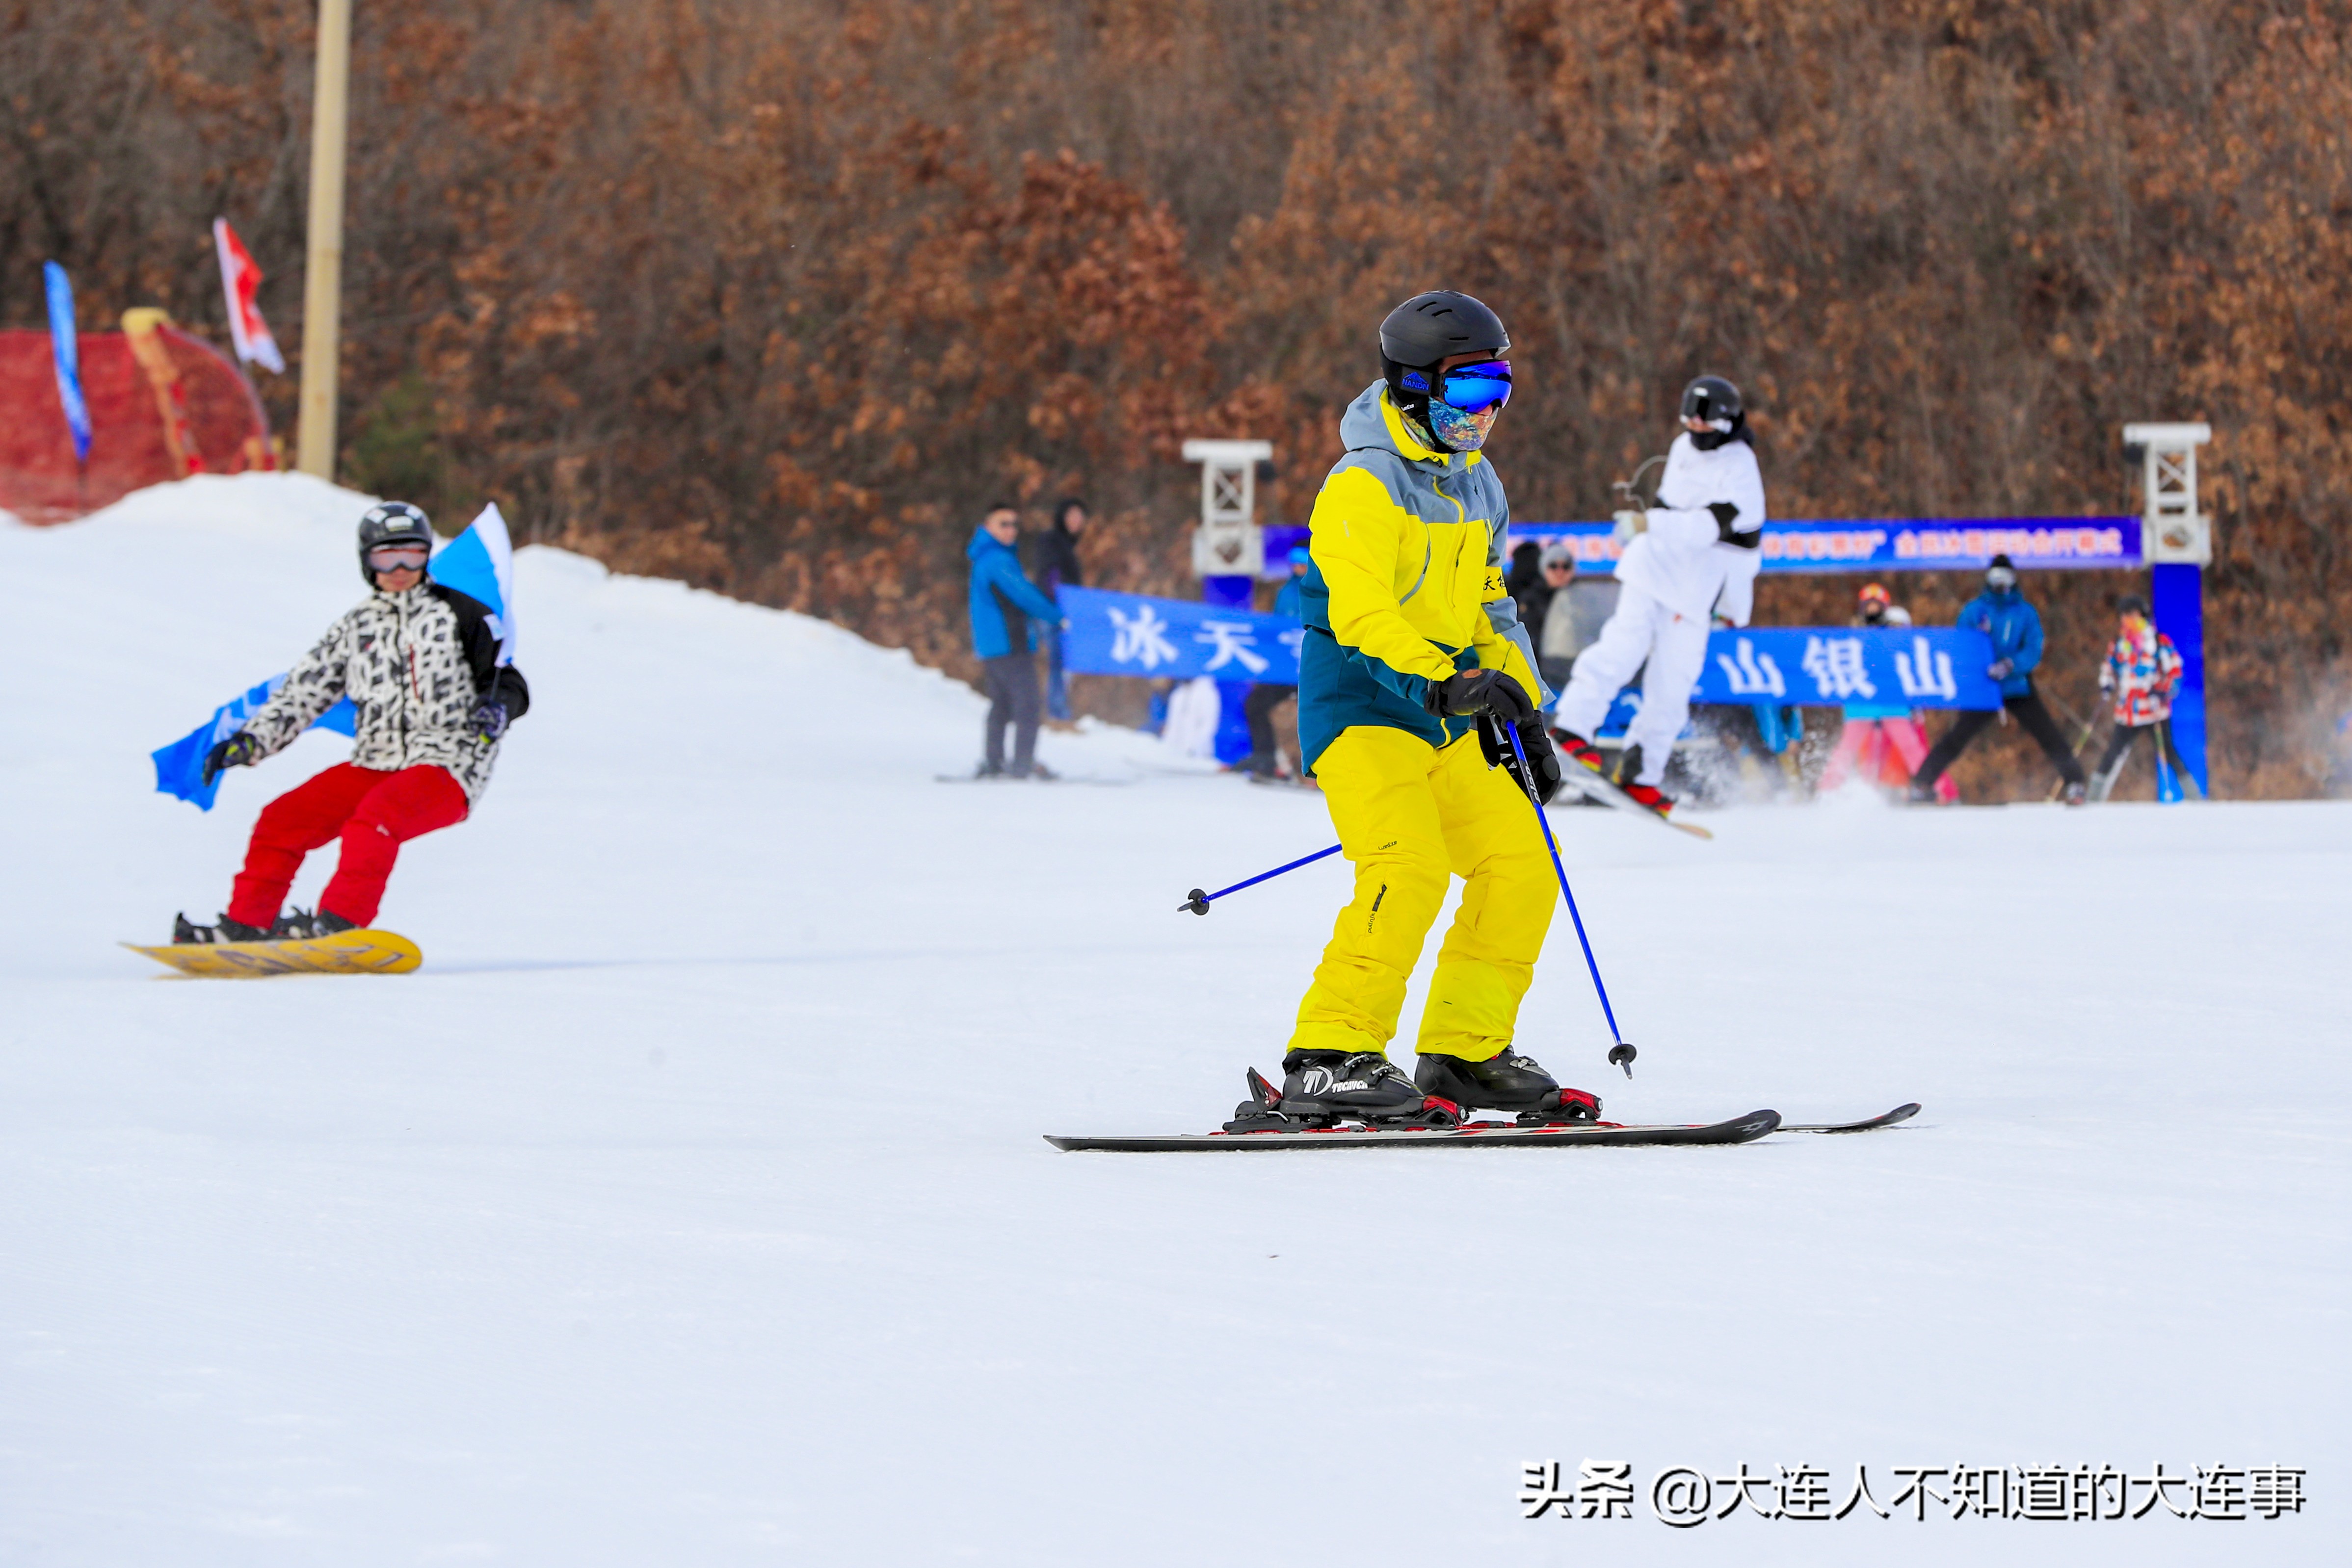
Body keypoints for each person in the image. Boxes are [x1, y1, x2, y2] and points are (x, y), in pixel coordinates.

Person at [1280, 288, 1598, 1125]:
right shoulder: (1360, 485)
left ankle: (1463, 1051)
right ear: (1413, 387)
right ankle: (1327, 1053)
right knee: (1407, 865)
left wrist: (1524, 709)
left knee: (1524, 859)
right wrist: (1439, 682)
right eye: (1466, 390)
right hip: (1362, 711)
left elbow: (1492, 609)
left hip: (1448, 713)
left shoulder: (1476, 483)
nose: (1484, 411)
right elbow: (1362, 616)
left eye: (1499, 389)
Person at [173, 501, 532, 942]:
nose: (400, 568)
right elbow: (304, 692)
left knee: (376, 819)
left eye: (413, 555)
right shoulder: (357, 627)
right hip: (376, 763)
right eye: (386, 557)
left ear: (426, 556)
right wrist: (249, 742)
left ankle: (339, 924)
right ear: (367, 561)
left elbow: (506, 679)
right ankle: (247, 924)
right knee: (283, 819)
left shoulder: (462, 614)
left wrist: (495, 709)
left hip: (449, 765)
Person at [1550, 375, 1765, 820]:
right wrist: (1650, 529)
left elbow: (1713, 529)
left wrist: (1733, 609)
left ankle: (1640, 772)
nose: (1695, 433)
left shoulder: (1740, 467)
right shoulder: (1684, 448)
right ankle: (1573, 726)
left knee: (1674, 683)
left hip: (1694, 585)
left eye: (1703, 426)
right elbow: (1670, 506)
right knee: (1623, 645)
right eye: (1689, 423)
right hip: (1653, 568)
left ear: (1725, 423)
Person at [1906, 555, 2089, 804]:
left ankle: (2075, 783)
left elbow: (2034, 647)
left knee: (2048, 733)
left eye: (2005, 578)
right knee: (1958, 735)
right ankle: (1923, 782)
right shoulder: (1976, 610)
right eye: (1995, 578)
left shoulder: (2025, 612)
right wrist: (1979, 661)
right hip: (1985, 686)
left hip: (2016, 685)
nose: (2000, 584)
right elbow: (1961, 645)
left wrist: (2012, 665)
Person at [1817, 582, 1954, 799]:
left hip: (1891, 699)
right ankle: (1828, 790)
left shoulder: (1895, 632)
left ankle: (1939, 789)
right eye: (1868, 606)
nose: (1872, 611)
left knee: (1911, 748)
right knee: (1849, 749)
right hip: (1862, 700)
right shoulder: (1853, 633)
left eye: (1876, 606)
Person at [967, 501, 1067, 779]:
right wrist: (1057, 616)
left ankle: (994, 762)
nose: (1011, 530)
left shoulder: (986, 558)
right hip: (1010, 643)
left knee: (1001, 704)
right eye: (1004, 524)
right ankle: (1022, 764)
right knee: (1028, 703)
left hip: (993, 645)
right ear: (988, 527)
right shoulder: (998, 560)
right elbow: (1024, 595)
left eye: (1014, 525)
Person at [2089, 595, 2192, 801]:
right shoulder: (2120, 643)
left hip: (2154, 709)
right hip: (2128, 711)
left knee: (2169, 752)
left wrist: (2163, 690)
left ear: (2143, 616)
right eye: (2124, 616)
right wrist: (2107, 683)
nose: (2128, 620)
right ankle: (2093, 797)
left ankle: (2194, 796)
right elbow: (2109, 667)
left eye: (2133, 615)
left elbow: (2175, 670)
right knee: (2113, 754)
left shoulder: (2158, 642)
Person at [1242, 545, 1309, 780]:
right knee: (1255, 704)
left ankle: (1321, 770)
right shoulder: (1285, 592)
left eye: (1304, 560)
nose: (1299, 566)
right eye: (1295, 561)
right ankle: (1266, 759)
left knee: (1315, 714)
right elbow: (1278, 629)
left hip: (1312, 668)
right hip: (1286, 667)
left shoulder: (1326, 588)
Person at [1531, 539, 1619, 698]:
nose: (1560, 572)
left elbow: (1599, 629)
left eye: (1566, 566)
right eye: (1553, 566)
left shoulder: (1586, 599)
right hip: (1545, 673)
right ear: (1544, 569)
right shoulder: (1530, 601)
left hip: (1578, 669)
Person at [1031, 497, 1087, 722]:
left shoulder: (1066, 544)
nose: (1076, 521)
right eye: (1072, 516)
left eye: (1080, 517)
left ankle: (1057, 708)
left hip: (1059, 609)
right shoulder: (1052, 540)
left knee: (1061, 661)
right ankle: (1056, 711)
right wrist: (1060, 604)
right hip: (1052, 609)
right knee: (1058, 660)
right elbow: (1049, 573)